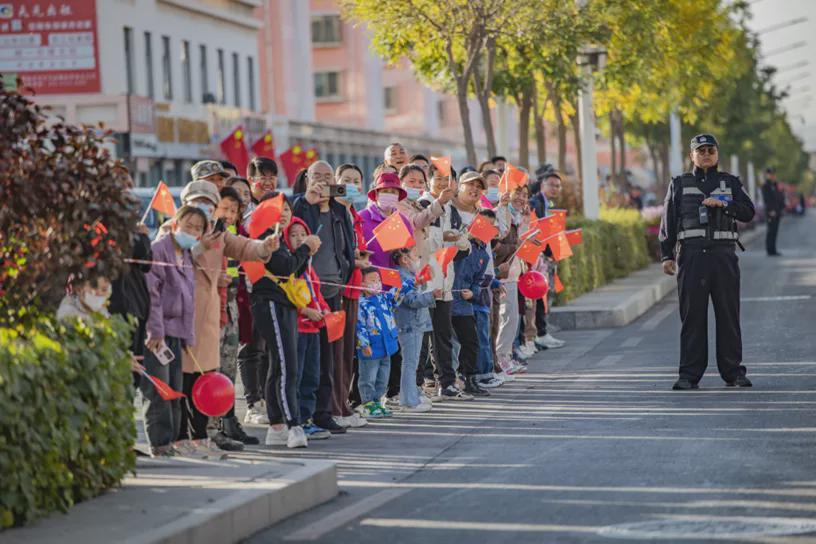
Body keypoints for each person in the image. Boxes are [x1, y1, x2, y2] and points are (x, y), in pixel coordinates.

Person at [177, 180, 276, 450]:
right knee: (182, 380)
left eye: (208, 203)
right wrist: (199, 248)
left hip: (208, 318)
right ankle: (180, 438)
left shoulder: (218, 233)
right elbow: (169, 263)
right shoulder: (173, 231)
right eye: (197, 202)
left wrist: (265, 246)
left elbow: (245, 247)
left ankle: (202, 436)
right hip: (179, 316)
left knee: (206, 378)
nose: (203, 208)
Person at [659, 133, 755, 390]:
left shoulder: (730, 182)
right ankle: (689, 375)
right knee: (692, 318)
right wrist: (667, 255)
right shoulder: (678, 183)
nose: (705, 154)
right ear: (691, 155)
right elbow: (668, 221)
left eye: (710, 150)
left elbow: (748, 211)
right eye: (700, 151)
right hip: (691, 258)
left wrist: (724, 203)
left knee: (728, 315)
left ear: (717, 154)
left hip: (723, 257)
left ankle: (734, 372)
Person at [251, 192, 321, 448]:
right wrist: (305, 248)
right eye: (276, 208)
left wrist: (306, 251)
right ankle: (293, 425)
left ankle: (278, 424)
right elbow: (285, 267)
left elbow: (296, 269)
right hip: (269, 304)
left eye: (287, 209)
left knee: (280, 367)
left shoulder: (281, 237)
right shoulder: (263, 237)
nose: (283, 213)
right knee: (286, 365)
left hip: (286, 304)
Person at [293, 160, 357, 434]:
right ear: (307, 178)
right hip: (306, 296)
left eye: (327, 177)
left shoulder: (339, 211)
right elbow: (292, 234)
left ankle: (323, 412)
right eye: (316, 176)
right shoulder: (299, 206)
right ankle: (302, 415)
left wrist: (346, 271)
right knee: (307, 357)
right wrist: (309, 202)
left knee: (329, 356)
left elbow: (347, 246)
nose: (321, 181)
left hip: (333, 291)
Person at [141, 205, 206, 457]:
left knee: (175, 390)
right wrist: (155, 332)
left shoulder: (187, 255)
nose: (192, 231)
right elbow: (152, 296)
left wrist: (188, 336)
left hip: (177, 334)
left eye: (198, 228)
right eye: (188, 225)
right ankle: (159, 443)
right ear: (176, 223)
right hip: (158, 334)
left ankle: (169, 442)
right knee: (158, 390)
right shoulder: (159, 250)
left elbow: (188, 299)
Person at [418, 164, 472, 400]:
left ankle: (447, 383)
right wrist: (446, 239)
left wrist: (461, 242)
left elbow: (461, 249)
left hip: (445, 279)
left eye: (447, 179)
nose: (443, 183)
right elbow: (421, 245)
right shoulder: (422, 206)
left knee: (443, 335)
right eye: (438, 178)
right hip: (425, 280)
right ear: (428, 181)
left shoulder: (453, 209)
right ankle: (417, 387)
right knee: (421, 337)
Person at [214, 186, 259, 445]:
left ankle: (229, 422)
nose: (229, 215)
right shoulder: (206, 232)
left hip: (231, 303)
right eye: (225, 209)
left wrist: (266, 245)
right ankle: (213, 427)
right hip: (210, 307)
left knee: (229, 370)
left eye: (234, 210)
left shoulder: (232, 232)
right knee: (213, 370)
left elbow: (249, 250)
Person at [283, 217, 333, 441]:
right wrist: (305, 311)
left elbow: (317, 294)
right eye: (293, 235)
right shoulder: (290, 266)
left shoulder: (310, 268)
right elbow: (289, 296)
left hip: (314, 328)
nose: (299, 239)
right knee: (298, 375)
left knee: (312, 376)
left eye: (303, 234)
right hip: (298, 328)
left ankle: (308, 417)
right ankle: (297, 419)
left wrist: (324, 309)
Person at [332, 164, 370, 428]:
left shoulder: (354, 216)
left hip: (355, 289)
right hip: (337, 290)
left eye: (356, 180)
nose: (351, 185)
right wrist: (352, 261)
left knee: (348, 353)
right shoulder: (332, 215)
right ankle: (335, 407)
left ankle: (343, 404)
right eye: (346, 180)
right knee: (335, 354)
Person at [450, 206, 491, 397]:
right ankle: (448, 381)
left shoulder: (484, 254)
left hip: (465, 303)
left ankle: (470, 378)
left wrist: (473, 293)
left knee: (471, 341)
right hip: (448, 298)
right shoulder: (462, 244)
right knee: (447, 344)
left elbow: (479, 280)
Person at [393, 247, 439, 412]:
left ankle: (412, 395)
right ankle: (408, 401)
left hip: (416, 323)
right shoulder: (401, 276)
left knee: (412, 363)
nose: (418, 259)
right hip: (409, 324)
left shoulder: (409, 275)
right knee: (409, 363)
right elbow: (411, 300)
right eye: (416, 256)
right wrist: (431, 295)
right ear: (404, 259)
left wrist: (425, 280)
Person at [529, 172, 567, 351]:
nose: (555, 188)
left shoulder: (548, 203)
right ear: (542, 184)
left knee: (544, 295)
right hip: (537, 256)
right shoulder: (535, 202)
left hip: (546, 256)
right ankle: (539, 334)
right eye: (551, 184)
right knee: (538, 295)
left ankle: (542, 332)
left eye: (558, 186)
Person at [356, 267, 400, 418]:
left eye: (379, 280)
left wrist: (410, 283)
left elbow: (397, 294)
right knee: (368, 377)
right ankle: (367, 403)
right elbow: (359, 325)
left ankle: (377, 401)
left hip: (387, 347)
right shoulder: (361, 303)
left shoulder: (383, 298)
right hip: (371, 348)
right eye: (372, 281)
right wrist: (363, 344)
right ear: (361, 284)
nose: (377, 283)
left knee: (383, 378)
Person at [360, 172, 414, 269]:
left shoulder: (403, 221)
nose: (389, 194)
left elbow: (408, 253)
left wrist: (403, 258)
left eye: (393, 192)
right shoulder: (361, 218)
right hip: (368, 279)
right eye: (385, 191)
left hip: (394, 279)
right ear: (376, 195)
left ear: (398, 196)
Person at [762, 167, 784, 257]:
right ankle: (769, 250)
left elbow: (779, 197)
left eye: (773, 174)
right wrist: (771, 210)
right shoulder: (765, 186)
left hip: (777, 212)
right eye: (770, 174)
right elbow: (766, 199)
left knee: (775, 231)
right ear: (767, 175)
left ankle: (773, 250)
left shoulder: (775, 185)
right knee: (770, 231)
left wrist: (781, 207)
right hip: (770, 212)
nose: (772, 176)